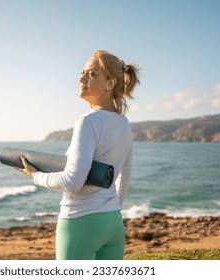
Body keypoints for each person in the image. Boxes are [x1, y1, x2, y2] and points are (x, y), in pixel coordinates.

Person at [15, 50, 140, 260]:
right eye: (83, 72)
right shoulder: (124, 124)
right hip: (112, 223)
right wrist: (108, 208)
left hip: (80, 221)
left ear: (109, 84)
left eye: (91, 74)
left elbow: (73, 181)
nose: (82, 79)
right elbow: (124, 180)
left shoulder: (87, 122)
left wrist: (35, 176)